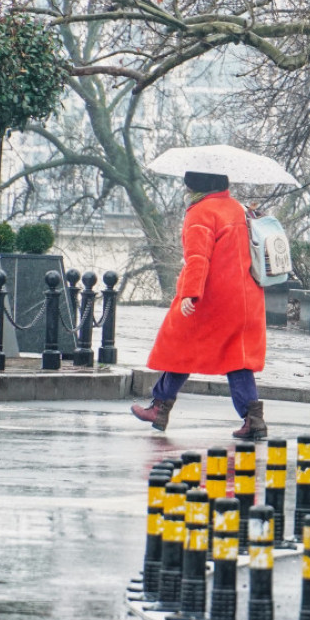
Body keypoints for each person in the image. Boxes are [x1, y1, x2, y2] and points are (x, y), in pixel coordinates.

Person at [130, 170, 268, 439]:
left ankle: (159, 407)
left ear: (196, 186)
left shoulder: (201, 212)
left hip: (213, 296)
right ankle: (254, 420)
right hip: (246, 295)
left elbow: (198, 258)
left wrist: (189, 295)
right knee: (237, 358)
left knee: (179, 346)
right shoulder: (237, 208)